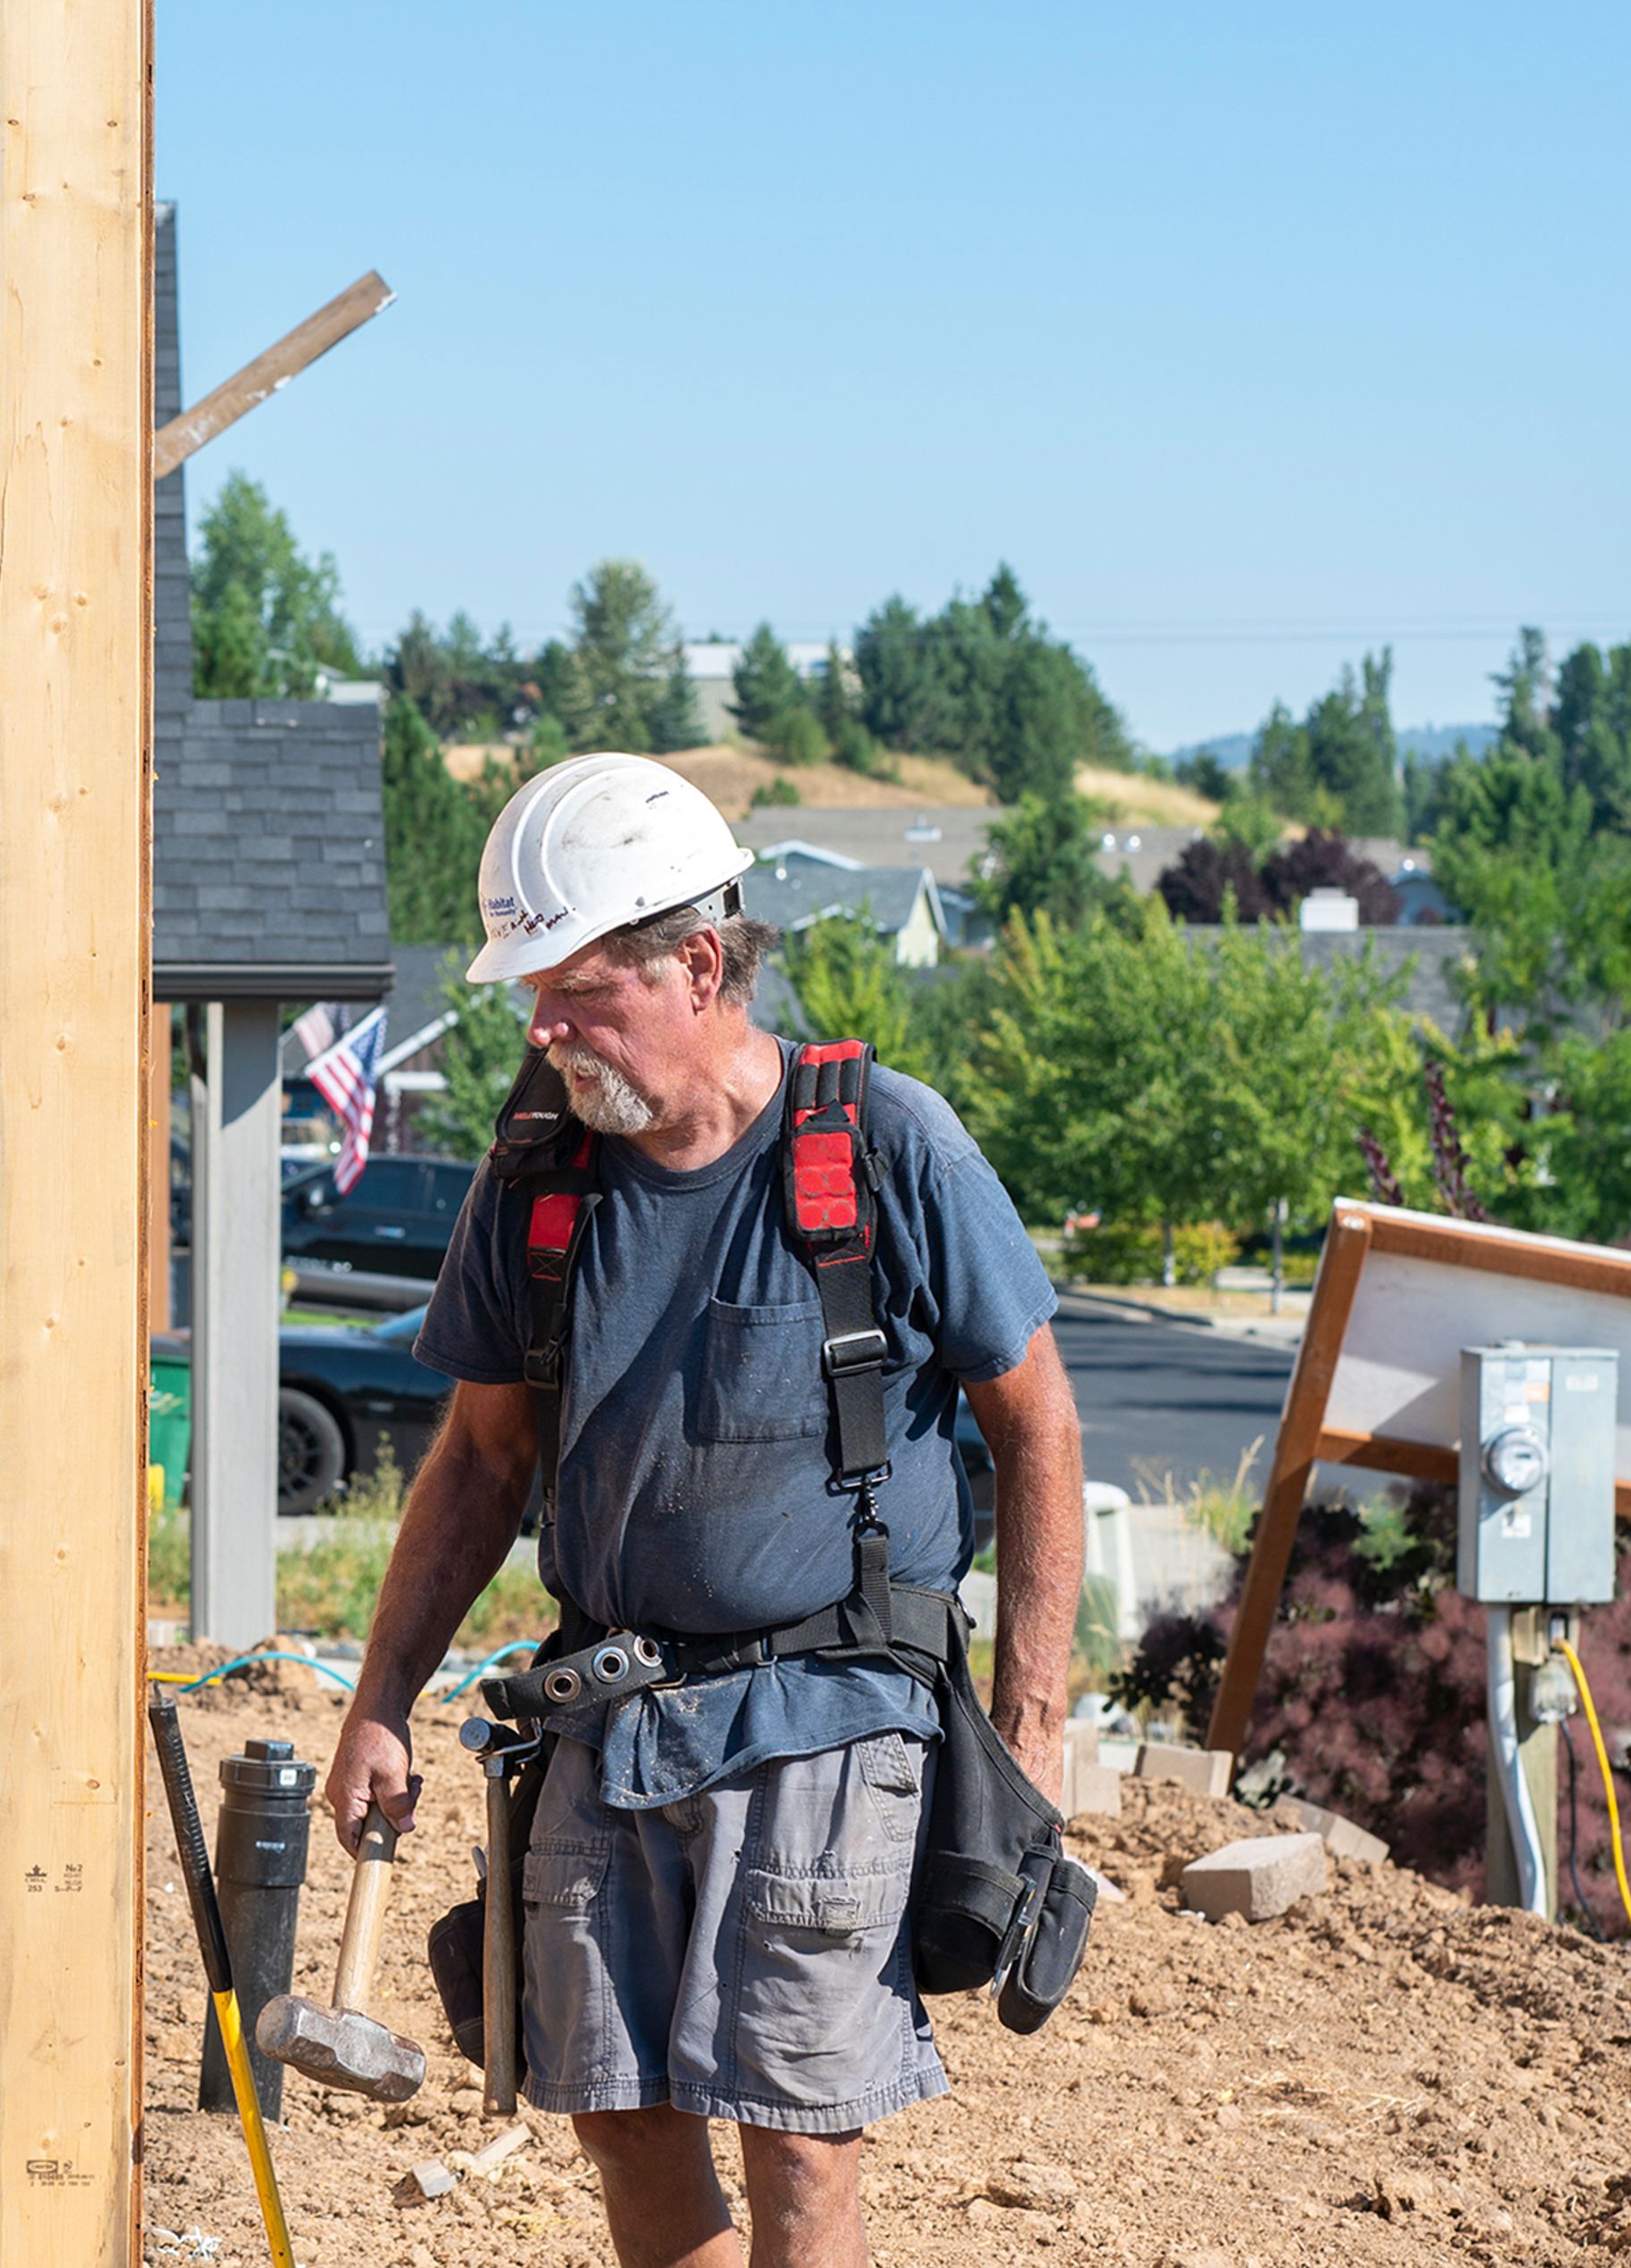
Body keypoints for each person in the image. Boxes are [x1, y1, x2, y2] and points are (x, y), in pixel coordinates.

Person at [319, 755, 1086, 2268]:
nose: (540, 1029)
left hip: (833, 1711)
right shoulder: (537, 1177)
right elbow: (479, 1460)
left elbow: (1039, 1421)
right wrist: (380, 1695)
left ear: (696, 959)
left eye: (575, 991)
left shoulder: (884, 1148)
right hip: (607, 1715)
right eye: (530, 991)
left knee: (802, 2139)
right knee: (618, 2112)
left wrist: (1034, 1727)